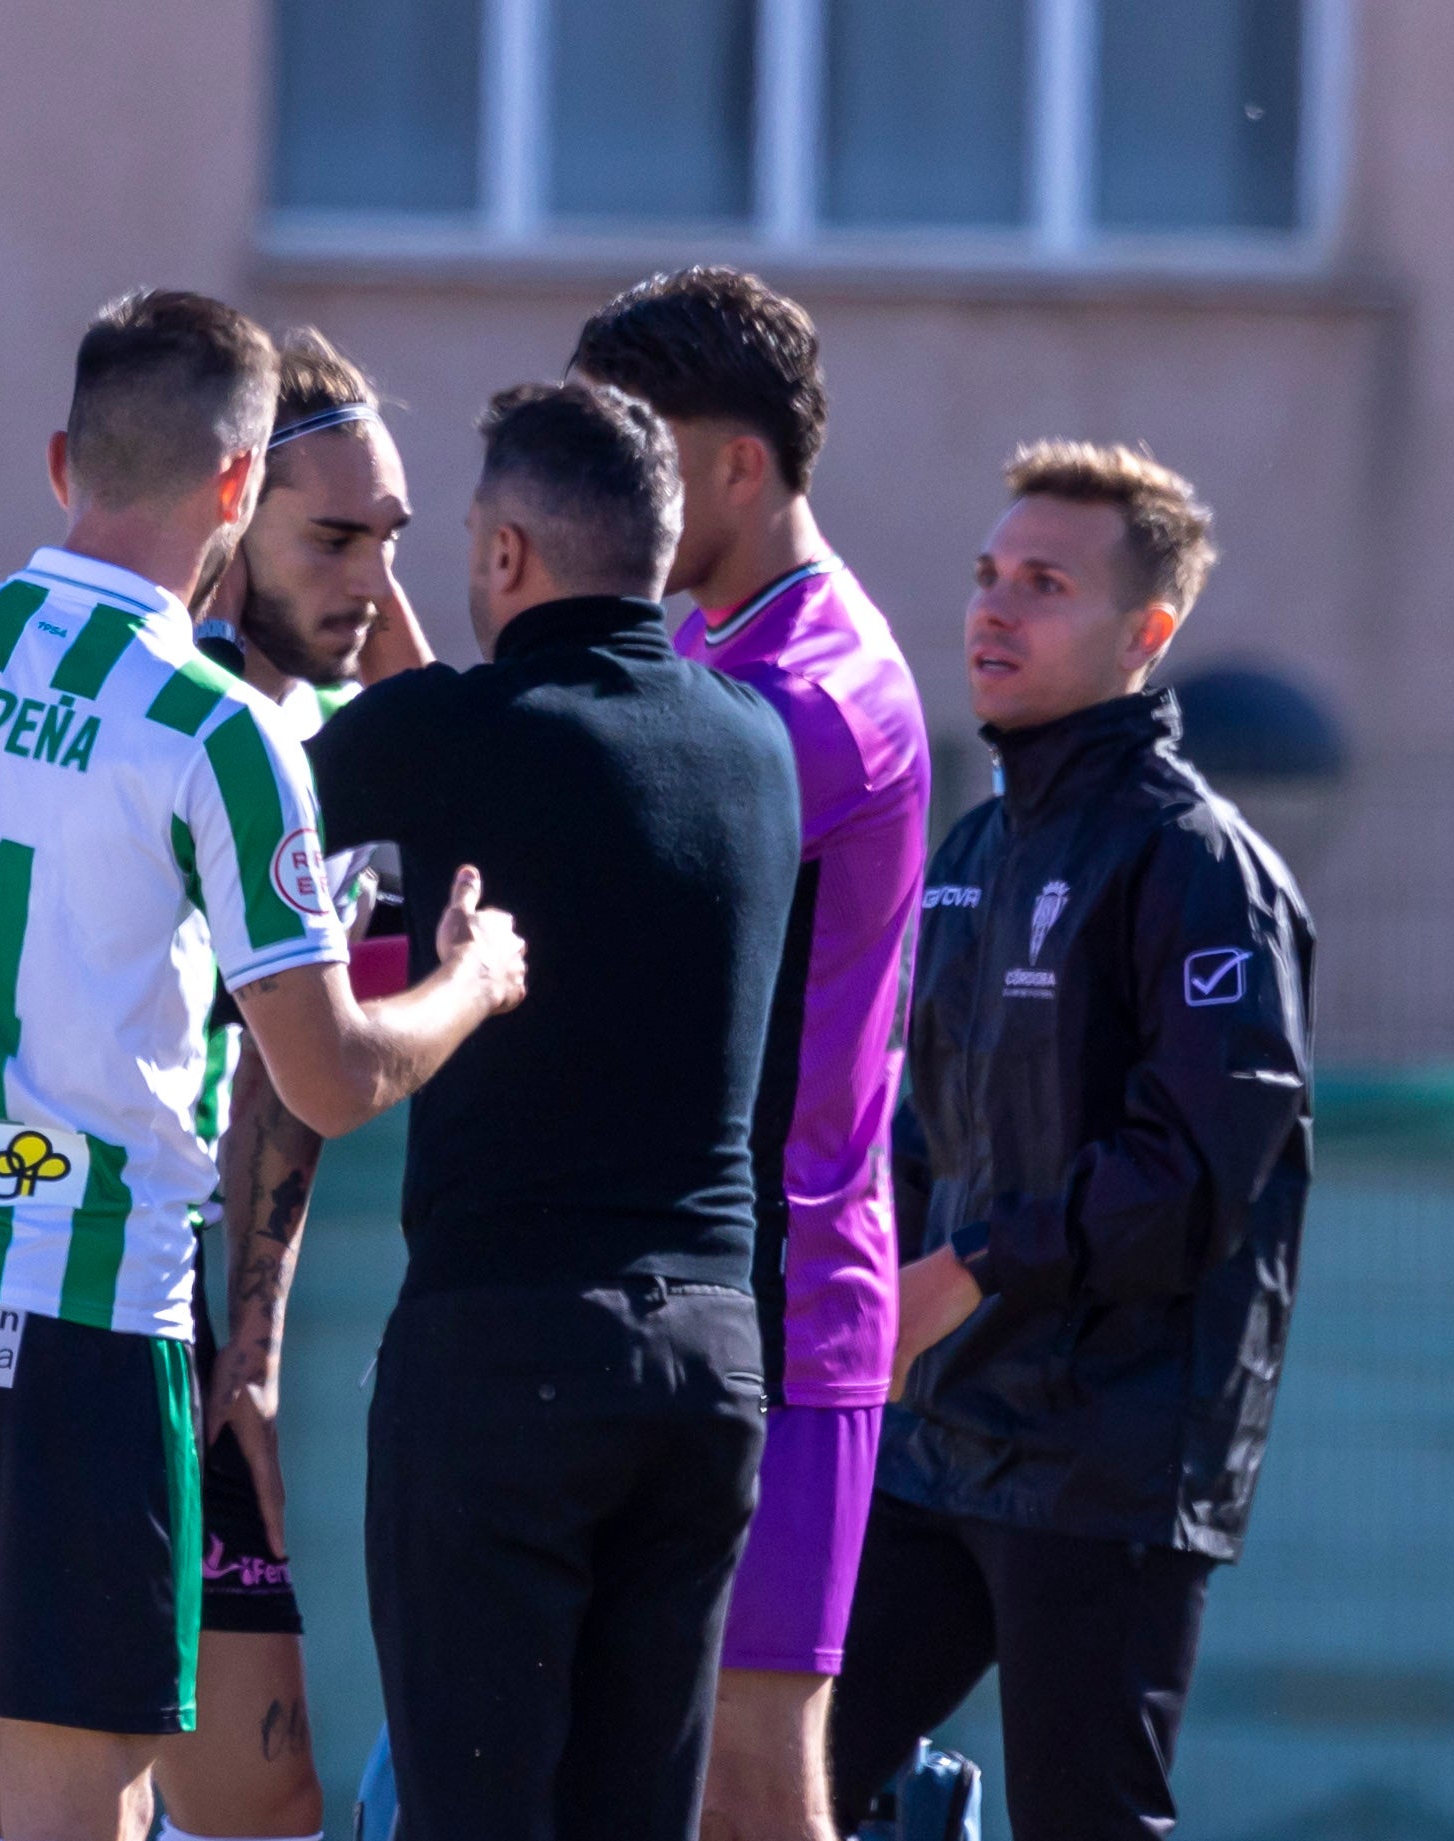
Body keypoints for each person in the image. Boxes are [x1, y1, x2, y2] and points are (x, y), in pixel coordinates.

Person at [0, 290, 526, 1841]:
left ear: (62, 457)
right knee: (79, 1813)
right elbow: (328, 1076)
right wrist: (472, 983)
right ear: (235, 490)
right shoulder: (208, 726)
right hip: (79, 1312)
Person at [304, 379, 802, 1841]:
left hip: (508, 1342)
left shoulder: (441, 740)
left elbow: (327, 781)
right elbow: (495, 743)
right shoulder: (755, 746)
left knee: (472, 1813)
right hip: (709, 1356)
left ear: (506, 555)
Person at [827, 443, 1316, 1841]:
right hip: (940, 1435)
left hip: (1108, 1457)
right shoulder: (972, 852)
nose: (993, 609)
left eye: (1043, 584)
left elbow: (1192, 1179)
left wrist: (966, 1268)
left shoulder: (1197, 864)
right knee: (766, 1776)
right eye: (988, 576)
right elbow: (923, 1134)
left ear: (1143, 634)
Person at [571, 267, 931, 1841]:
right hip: (678, 1277)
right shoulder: (710, 647)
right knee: (638, 1749)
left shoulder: (823, 684)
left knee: (749, 1767)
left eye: (639, 446)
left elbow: (608, 838)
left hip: (786, 1292)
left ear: (737, 465)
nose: (615, 491)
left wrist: (426, 705)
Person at [152, 327, 431, 1841]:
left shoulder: (337, 741)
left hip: (197, 1296)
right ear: (229, 503)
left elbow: (297, 1085)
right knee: (138, 1778)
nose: (369, 583)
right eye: (329, 537)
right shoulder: (168, 710)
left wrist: (248, 1342)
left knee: (243, 1794)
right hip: (85, 1272)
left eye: (389, 542)